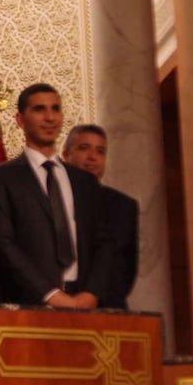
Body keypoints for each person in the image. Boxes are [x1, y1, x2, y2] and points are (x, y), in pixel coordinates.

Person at [0, 83, 112, 308]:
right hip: (29, 303)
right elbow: (3, 243)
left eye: (56, 109)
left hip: (84, 302)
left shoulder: (85, 181)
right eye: (40, 109)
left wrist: (92, 293)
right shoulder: (0, 178)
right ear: (21, 120)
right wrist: (50, 294)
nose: (50, 117)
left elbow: (102, 243)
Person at [62, 124, 139, 309]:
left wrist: (96, 297)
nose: (92, 157)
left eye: (100, 151)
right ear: (66, 155)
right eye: (83, 148)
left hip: (109, 308)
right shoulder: (51, 198)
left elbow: (126, 268)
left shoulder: (124, 206)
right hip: (59, 305)